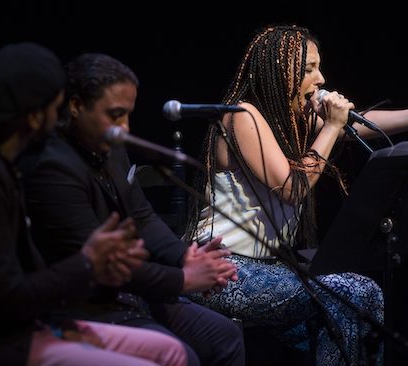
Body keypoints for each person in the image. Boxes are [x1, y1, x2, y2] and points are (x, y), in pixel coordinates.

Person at [184, 24, 408, 365]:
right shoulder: (243, 116)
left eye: (318, 67)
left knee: (359, 303)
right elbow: (292, 188)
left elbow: (359, 124)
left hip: (266, 268)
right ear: (277, 72)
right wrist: (330, 126)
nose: (321, 78)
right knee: (353, 293)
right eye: (308, 69)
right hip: (220, 270)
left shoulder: (288, 121)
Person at [0, 42, 188, 366]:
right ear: (35, 115)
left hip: (31, 323)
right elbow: (6, 296)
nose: (59, 116)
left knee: (170, 352)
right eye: (56, 106)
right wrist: (90, 262)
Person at [20, 52, 245, 366]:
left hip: (132, 294)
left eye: (127, 115)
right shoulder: (52, 167)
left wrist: (184, 256)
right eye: (114, 115)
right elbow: (103, 264)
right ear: (75, 107)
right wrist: (184, 279)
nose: (124, 127)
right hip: (89, 305)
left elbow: (141, 216)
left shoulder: (110, 148)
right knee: (186, 358)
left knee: (225, 337)